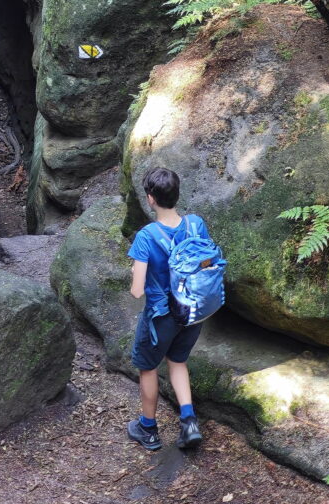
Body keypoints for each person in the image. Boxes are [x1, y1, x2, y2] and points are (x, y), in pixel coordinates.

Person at [125, 166, 209, 452]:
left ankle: (148, 429)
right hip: (194, 310)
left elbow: (137, 290)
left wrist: (138, 274)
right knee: (178, 362)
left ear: (150, 199)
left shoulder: (146, 236)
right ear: (176, 194)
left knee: (148, 368)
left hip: (161, 316)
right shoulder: (196, 224)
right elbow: (206, 263)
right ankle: (189, 423)